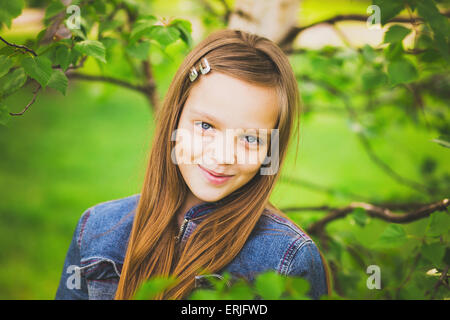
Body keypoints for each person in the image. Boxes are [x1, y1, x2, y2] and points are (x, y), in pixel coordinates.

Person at [55, 29, 331, 300]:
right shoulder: (97, 231)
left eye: (250, 138)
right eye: (206, 126)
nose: (223, 155)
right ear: (174, 118)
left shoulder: (287, 259)